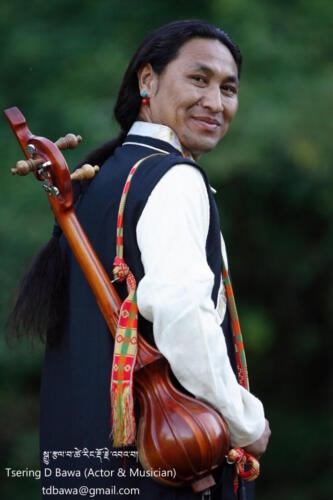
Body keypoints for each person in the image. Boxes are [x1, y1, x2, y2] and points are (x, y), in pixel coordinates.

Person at [9, 19, 270, 500]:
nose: (215, 102)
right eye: (199, 79)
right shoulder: (173, 180)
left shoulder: (99, 181)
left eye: (228, 88)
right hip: (164, 474)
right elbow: (182, 312)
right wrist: (244, 421)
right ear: (147, 81)